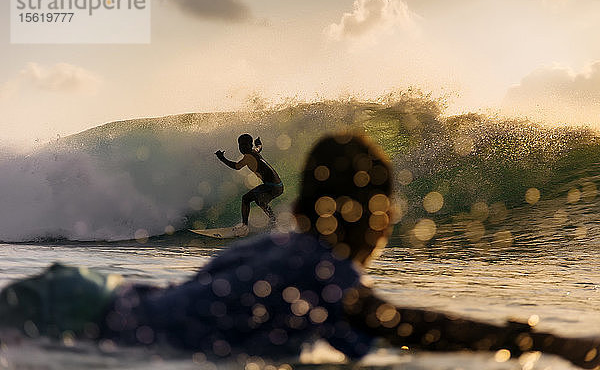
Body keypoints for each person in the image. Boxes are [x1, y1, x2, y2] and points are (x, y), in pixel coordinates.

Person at [1, 133, 600, 369]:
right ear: (377, 217)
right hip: (78, 312)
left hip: (82, 294)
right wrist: (543, 342)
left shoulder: (284, 252)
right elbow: (401, 325)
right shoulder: (320, 270)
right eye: (388, 209)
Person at [215, 134, 284, 235]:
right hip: (278, 186)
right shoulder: (254, 151)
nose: (242, 147)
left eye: (245, 145)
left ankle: (244, 226)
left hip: (271, 186)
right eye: (240, 145)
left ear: (250, 145)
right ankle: (274, 222)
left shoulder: (248, 157)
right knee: (260, 201)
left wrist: (222, 158)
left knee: (246, 199)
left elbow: (236, 166)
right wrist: (258, 143)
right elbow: (259, 147)